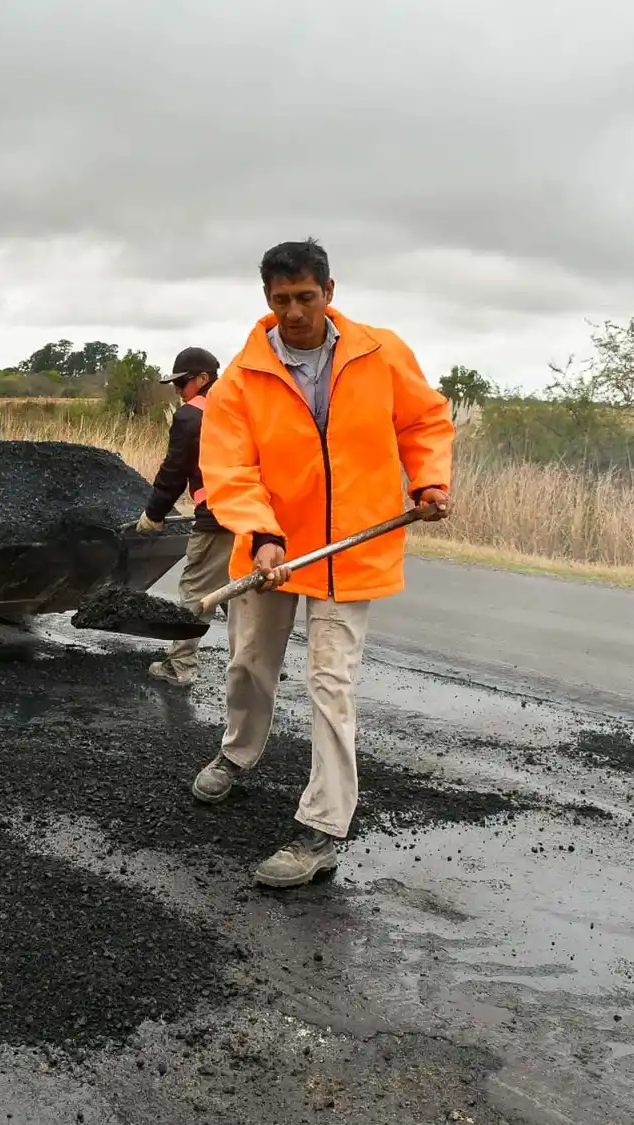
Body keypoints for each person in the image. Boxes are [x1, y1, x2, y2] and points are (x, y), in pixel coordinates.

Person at [193, 238, 455, 888]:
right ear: (266, 300)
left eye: (306, 297)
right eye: (282, 300)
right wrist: (263, 532)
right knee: (250, 665)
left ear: (329, 292)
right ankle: (238, 754)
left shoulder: (379, 353)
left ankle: (322, 828)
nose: (296, 312)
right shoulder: (243, 378)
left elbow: (424, 421)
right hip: (273, 551)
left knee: (331, 684)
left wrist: (428, 482)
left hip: (351, 550)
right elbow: (229, 465)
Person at [134, 346, 235, 686]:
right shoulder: (239, 407)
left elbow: (173, 471)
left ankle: (179, 667)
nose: (178, 392)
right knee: (236, 590)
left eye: (183, 384)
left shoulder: (192, 416)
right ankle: (254, 663)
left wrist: (154, 514)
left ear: (203, 379)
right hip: (254, 518)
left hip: (218, 516)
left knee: (195, 590)